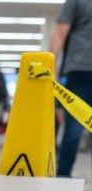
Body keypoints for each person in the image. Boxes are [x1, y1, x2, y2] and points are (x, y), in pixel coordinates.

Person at [50, 0, 92, 176]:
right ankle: (63, 176)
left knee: (73, 130)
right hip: (79, 71)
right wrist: (52, 70)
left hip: (79, 70)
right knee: (73, 130)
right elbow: (60, 33)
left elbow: (60, 34)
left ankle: (63, 175)